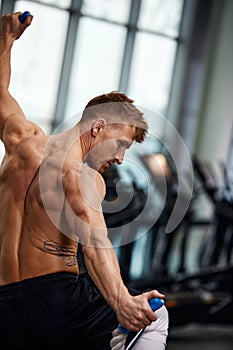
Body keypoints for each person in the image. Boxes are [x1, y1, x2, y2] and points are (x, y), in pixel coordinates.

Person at [0, 12, 169, 350]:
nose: (120, 157)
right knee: (155, 314)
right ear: (98, 128)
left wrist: (5, 40)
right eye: (121, 144)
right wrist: (123, 301)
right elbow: (95, 244)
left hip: (4, 303)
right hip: (57, 301)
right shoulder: (82, 175)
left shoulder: (21, 140)